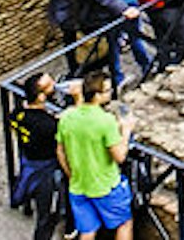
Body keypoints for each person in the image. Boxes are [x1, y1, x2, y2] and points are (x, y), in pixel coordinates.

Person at [56, 73, 132, 239]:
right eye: (107, 90)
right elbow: (120, 157)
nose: (110, 92)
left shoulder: (67, 116)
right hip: (105, 186)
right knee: (124, 224)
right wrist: (126, 131)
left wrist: (71, 175)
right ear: (97, 95)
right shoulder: (106, 121)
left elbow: (60, 151)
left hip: (78, 186)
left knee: (87, 231)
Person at [8, 75, 68, 240]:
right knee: (46, 217)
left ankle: (27, 203)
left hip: (29, 161)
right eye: (49, 85)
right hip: (46, 172)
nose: (54, 85)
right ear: (41, 96)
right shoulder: (49, 125)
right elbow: (61, 147)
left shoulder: (17, 115)